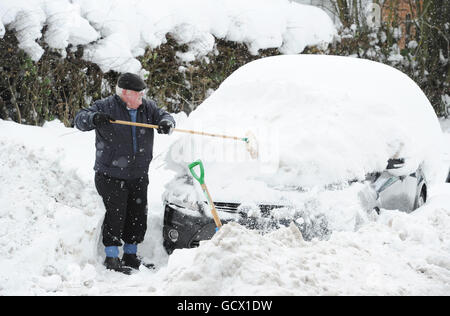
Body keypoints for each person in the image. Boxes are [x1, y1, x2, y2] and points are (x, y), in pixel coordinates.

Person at [74, 72, 175, 274]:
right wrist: (94, 118)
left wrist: (167, 123)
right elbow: (79, 119)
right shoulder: (105, 106)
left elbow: (165, 116)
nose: (142, 97)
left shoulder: (147, 107)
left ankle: (131, 255)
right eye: (138, 94)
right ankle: (111, 258)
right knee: (115, 216)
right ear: (125, 93)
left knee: (137, 216)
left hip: (138, 174)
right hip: (110, 174)